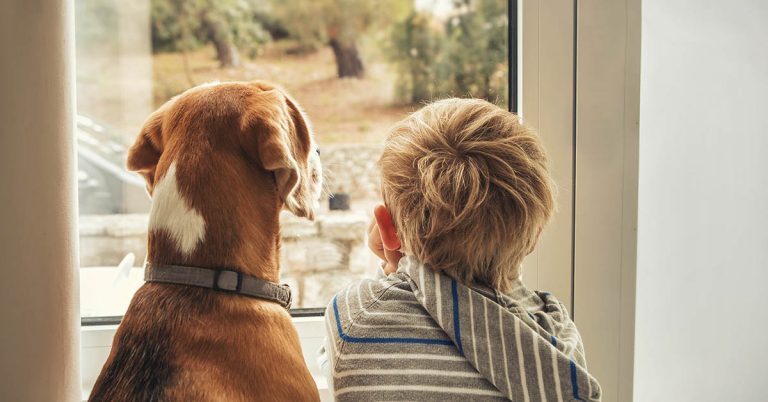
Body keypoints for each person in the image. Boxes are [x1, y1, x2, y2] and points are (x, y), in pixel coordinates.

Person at [322, 98, 601, 401]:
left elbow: (330, 363)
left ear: (386, 229)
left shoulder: (357, 318)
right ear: (536, 233)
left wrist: (393, 267)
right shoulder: (558, 338)